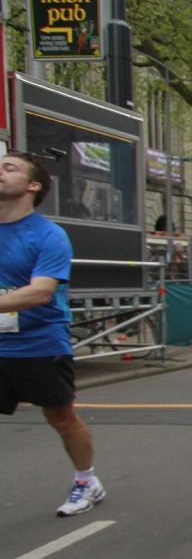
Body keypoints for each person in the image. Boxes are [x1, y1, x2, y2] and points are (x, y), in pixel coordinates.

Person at [0, 152, 106, 516]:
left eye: (9, 168)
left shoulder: (49, 235)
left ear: (33, 185)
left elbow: (40, 293)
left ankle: (86, 481)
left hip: (39, 343)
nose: (0, 172)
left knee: (60, 418)